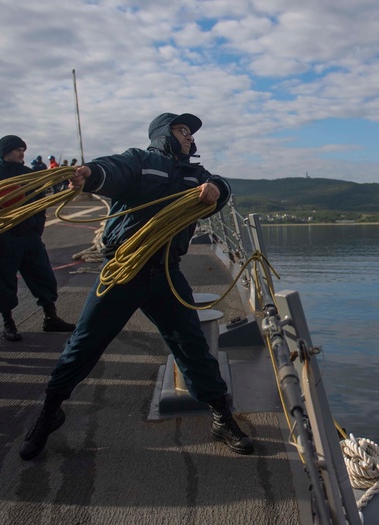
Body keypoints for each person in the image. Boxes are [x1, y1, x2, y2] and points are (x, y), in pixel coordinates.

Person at [19, 112, 251, 460]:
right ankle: (50, 411)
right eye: (181, 129)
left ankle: (221, 416)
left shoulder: (194, 175)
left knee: (191, 346)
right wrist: (89, 174)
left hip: (166, 274)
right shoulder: (140, 162)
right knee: (84, 344)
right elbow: (111, 171)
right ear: (163, 134)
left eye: (190, 132)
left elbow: (220, 186)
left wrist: (217, 189)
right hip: (124, 272)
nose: (188, 136)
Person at [0, 135, 75, 341]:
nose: (21, 153)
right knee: (4, 281)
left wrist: (36, 229)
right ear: (5, 151)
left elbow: (40, 203)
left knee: (43, 275)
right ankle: (8, 322)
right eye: (17, 149)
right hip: (4, 238)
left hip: (29, 236)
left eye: (23, 149)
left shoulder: (29, 175)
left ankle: (50, 317)